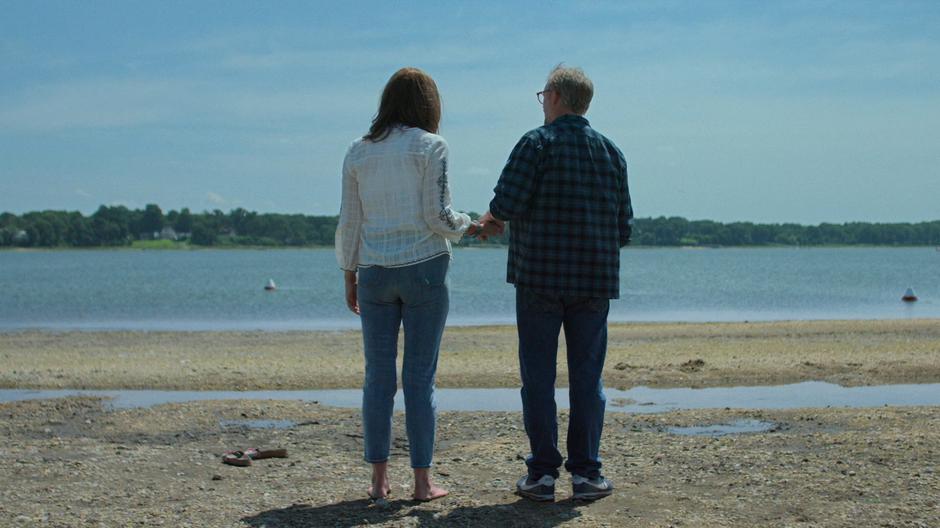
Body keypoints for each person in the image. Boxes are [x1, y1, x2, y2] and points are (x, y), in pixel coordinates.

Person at [479, 64, 633, 502]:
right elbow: (624, 228)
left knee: (539, 379)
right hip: (594, 282)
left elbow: (506, 202)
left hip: (539, 279)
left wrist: (492, 220)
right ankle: (586, 473)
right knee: (588, 380)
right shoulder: (612, 153)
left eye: (543, 94)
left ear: (556, 97)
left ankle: (543, 474)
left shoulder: (535, 143)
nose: (542, 101)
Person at [335, 67, 481, 502]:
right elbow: (438, 217)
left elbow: (350, 220)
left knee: (377, 378)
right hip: (424, 269)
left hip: (375, 272)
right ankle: (421, 483)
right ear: (428, 105)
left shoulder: (357, 151)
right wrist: (469, 225)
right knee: (419, 379)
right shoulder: (431, 146)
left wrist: (349, 270)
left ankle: (378, 482)